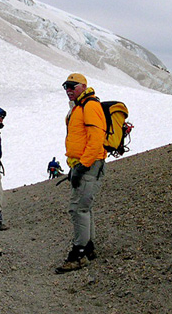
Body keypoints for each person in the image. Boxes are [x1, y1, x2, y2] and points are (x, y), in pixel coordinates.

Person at [56, 73, 107, 273]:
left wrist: (82, 166)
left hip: (89, 165)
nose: (68, 90)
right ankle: (89, 247)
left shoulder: (90, 106)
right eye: (65, 87)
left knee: (78, 209)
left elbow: (96, 139)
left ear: (83, 86)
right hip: (82, 164)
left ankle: (79, 255)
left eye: (72, 86)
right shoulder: (78, 107)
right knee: (85, 207)